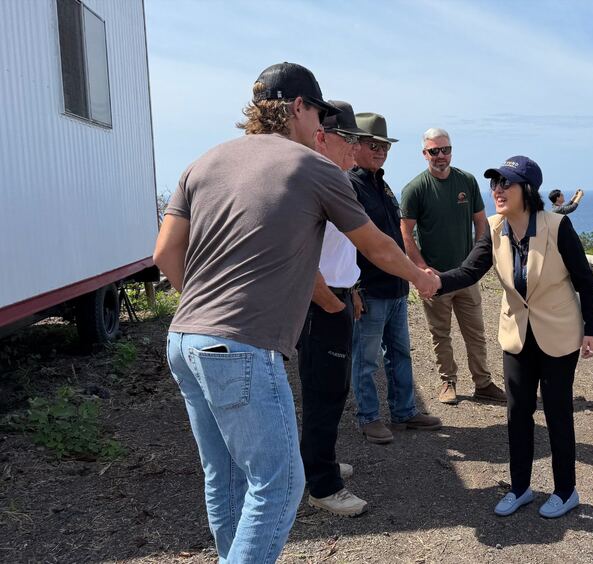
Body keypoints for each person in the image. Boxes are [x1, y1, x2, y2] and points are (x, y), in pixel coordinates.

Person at [154, 63, 439, 562]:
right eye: (319, 115)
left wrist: (203, 307)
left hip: (184, 338)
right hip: (240, 346)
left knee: (225, 477)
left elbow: (165, 255)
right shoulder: (313, 168)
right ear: (298, 108)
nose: (322, 129)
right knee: (282, 486)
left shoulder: (203, 163)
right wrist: (421, 277)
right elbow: (375, 245)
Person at [436, 156, 593, 519]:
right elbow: (469, 272)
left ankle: (565, 490)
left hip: (558, 333)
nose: (497, 190)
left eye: (505, 184)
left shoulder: (556, 226)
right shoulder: (495, 228)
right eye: (494, 183)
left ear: (526, 190)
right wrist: (433, 281)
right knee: (518, 414)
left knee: (558, 413)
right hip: (516, 333)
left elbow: (585, 281)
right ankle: (520, 487)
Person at [296, 100, 371, 517]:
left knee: (332, 388)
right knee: (323, 390)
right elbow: (301, 255)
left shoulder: (337, 178)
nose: (357, 147)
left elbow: (341, 251)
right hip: (319, 302)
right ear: (324, 136)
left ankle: (317, 462)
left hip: (338, 294)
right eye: (352, 138)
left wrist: (351, 292)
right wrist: (329, 302)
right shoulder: (314, 179)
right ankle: (323, 485)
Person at [349, 112, 442, 445]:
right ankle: (369, 417)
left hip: (395, 289)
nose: (380, 151)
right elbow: (345, 245)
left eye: (384, 146)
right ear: (354, 144)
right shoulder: (349, 184)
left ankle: (404, 412)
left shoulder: (382, 184)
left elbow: (395, 235)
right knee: (366, 358)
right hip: (370, 289)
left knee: (400, 352)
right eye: (373, 145)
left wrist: (411, 274)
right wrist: (353, 290)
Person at [400, 128, 506, 405]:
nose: (441, 156)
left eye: (445, 149)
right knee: (440, 334)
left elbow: (481, 222)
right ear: (425, 154)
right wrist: (422, 269)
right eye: (434, 151)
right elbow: (405, 233)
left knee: (476, 332)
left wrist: (476, 259)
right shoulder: (415, 189)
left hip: (466, 275)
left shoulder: (467, 181)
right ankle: (448, 382)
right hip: (436, 278)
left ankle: (483, 383)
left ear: (451, 150)